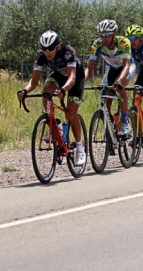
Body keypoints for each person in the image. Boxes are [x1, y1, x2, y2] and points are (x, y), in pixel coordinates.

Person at [17, 30, 86, 166]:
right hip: (59, 75)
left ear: (58, 47)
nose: (47, 52)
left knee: (71, 115)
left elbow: (72, 77)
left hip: (76, 78)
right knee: (46, 91)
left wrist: (63, 90)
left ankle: (80, 147)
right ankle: (56, 126)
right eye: (44, 48)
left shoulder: (67, 52)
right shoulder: (40, 56)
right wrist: (25, 90)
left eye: (51, 48)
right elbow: (34, 81)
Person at [85, 19, 135, 136]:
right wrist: (80, 81)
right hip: (112, 68)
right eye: (101, 35)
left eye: (107, 35)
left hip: (126, 67)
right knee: (106, 93)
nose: (104, 38)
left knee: (119, 87)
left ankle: (124, 122)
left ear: (114, 34)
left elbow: (126, 66)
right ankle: (109, 123)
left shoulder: (124, 42)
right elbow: (90, 68)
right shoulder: (96, 45)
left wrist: (119, 81)